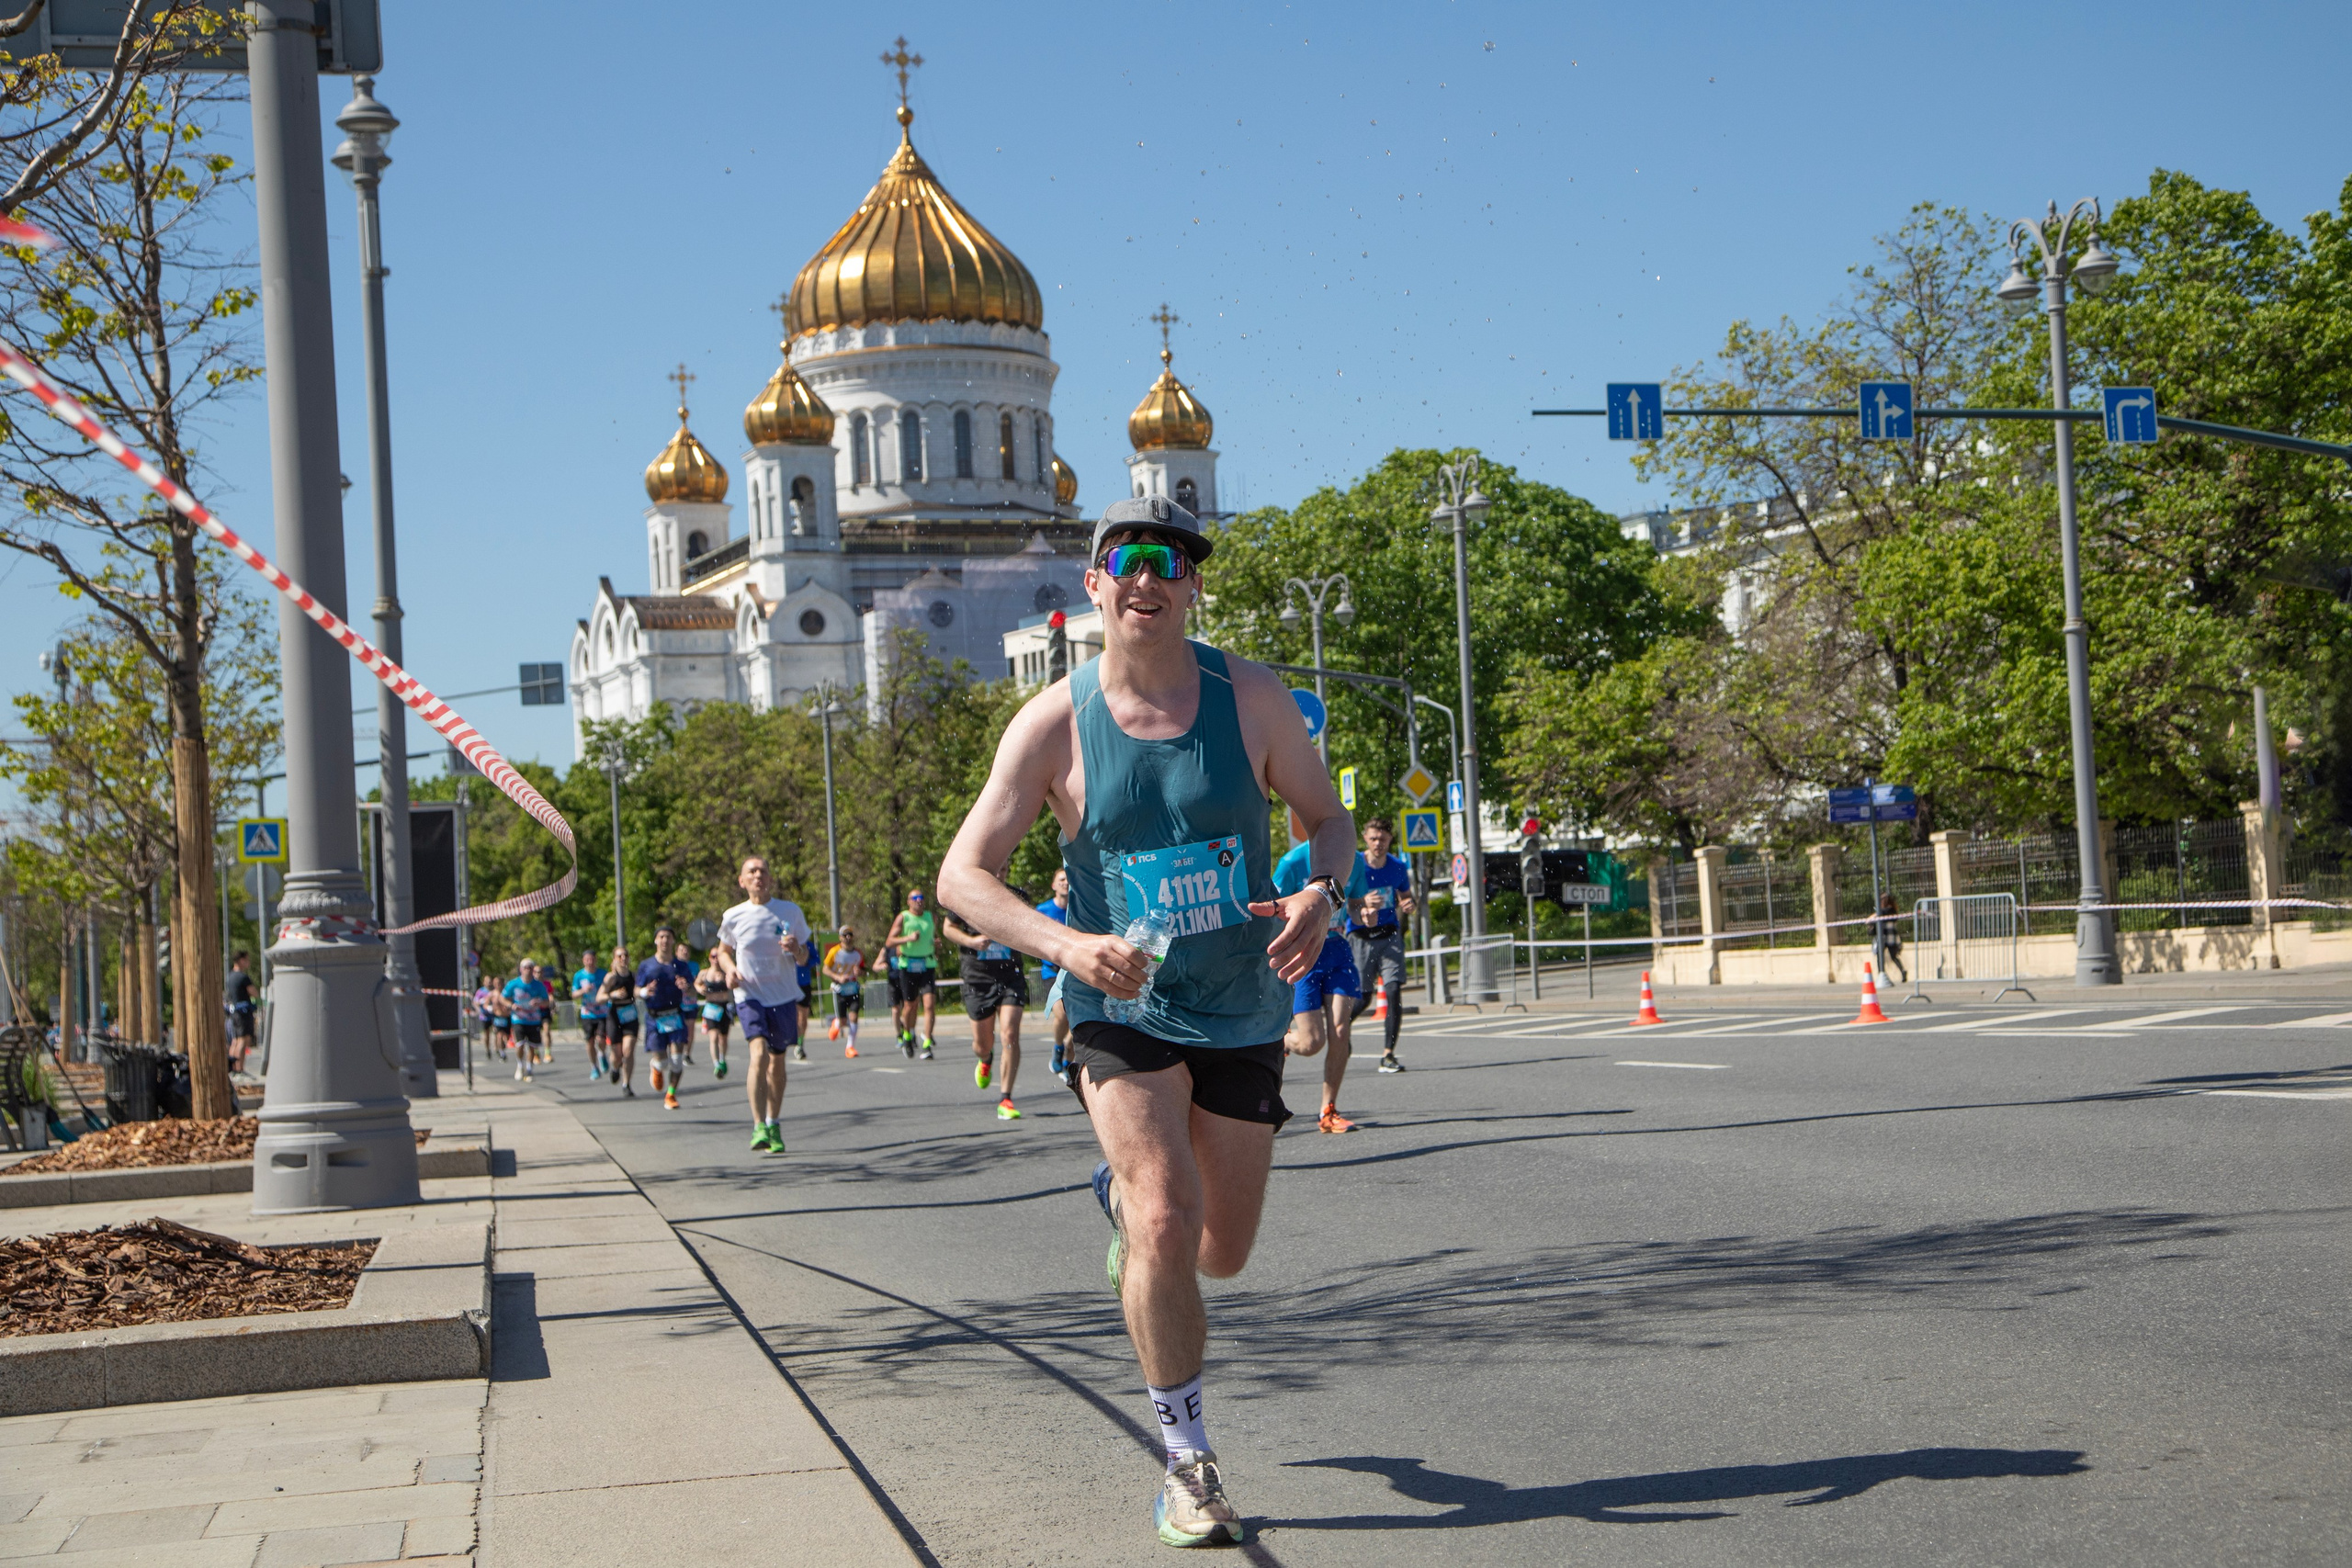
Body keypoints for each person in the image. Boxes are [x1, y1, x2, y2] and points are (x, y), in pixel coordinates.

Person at [937, 494, 1349, 1547]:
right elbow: (962, 876)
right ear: (1095, 584)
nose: (1147, 578)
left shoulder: (1251, 698)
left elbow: (1326, 818)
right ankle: (1187, 1462)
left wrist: (1320, 892)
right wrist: (1068, 947)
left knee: (1220, 1252)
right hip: (1118, 1006)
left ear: (1192, 585)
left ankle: (1124, 1217)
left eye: (1169, 561)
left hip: (1240, 1001)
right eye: (1127, 560)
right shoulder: (1051, 722)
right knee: (1166, 1214)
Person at [714, 857, 811, 1155]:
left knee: (777, 1062)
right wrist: (730, 969)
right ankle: (758, 1126)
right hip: (750, 995)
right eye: (752, 871)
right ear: (742, 881)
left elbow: (805, 958)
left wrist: (796, 949)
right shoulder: (733, 915)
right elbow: (723, 952)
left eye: (763, 871)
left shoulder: (790, 911)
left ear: (770, 878)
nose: (758, 875)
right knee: (758, 1055)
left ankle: (773, 1121)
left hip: (782, 996)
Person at [1275, 809, 1362, 1134]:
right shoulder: (1291, 863)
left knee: (1340, 1030)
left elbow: (1356, 904)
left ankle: (1329, 1109)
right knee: (1312, 1043)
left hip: (1338, 949)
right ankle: (1283, 1040)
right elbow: (1275, 908)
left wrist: (1364, 913)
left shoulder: (1354, 861)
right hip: (1305, 951)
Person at [944, 903, 1028, 1121]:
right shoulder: (968, 896)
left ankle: (1005, 1099)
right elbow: (948, 928)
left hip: (1010, 978)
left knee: (1010, 1035)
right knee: (982, 1045)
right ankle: (986, 1059)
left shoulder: (1016, 897)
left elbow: (1029, 927)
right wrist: (971, 941)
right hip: (978, 980)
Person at [1347, 818, 1418, 1074]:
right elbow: (1345, 900)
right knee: (1364, 997)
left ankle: (1388, 1054)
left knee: (1393, 991)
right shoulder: (1355, 864)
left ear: (1390, 840)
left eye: (1383, 839)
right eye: (1374, 838)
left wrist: (1409, 905)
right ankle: (1340, 1028)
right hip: (1361, 937)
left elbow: (1406, 897)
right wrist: (1363, 902)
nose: (1378, 844)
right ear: (1365, 838)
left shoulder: (1397, 867)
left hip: (1389, 936)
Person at [636, 928, 695, 1109]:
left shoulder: (681, 966)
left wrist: (686, 987)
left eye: (668, 937)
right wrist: (644, 991)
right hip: (655, 1017)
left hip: (675, 1015)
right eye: (661, 937)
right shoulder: (646, 965)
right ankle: (656, 1067)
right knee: (662, 1061)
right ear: (656, 940)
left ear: (673, 941)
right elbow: (636, 990)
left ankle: (671, 1094)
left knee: (677, 1061)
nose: (665, 940)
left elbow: (693, 990)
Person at [882, 888, 941, 1059]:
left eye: (921, 897)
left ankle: (927, 1043)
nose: (919, 900)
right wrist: (908, 939)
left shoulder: (931, 917)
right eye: (915, 898)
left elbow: (933, 937)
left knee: (929, 1005)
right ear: (908, 901)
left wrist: (936, 944)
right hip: (908, 966)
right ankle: (907, 1034)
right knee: (910, 1005)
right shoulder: (904, 917)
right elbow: (889, 941)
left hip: (927, 964)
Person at [1036, 868, 1072, 1076]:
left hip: (1074, 972)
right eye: (1061, 879)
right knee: (1062, 1013)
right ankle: (1058, 1048)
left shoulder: (1078, 908)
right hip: (1052, 972)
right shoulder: (1043, 910)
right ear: (1053, 885)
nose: (1065, 882)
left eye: (1068, 879)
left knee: (1077, 1022)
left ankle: (1068, 1060)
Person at [599, 947, 640, 1096]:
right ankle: (615, 1067)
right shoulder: (611, 977)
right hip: (614, 1015)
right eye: (619, 956)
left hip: (630, 1014)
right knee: (617, 1054)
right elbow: (599, 997)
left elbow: (638, 991)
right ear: (614, 959)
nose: (623, 958)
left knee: (628, 1050)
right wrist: (613, 994)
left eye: (625, 955)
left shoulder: (634, 976)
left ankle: (626, 1084)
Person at [503, 959, 551, 1082]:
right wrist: (512, 1005)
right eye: (525, 968)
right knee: (519, 1044)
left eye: (530, 968)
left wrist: (539, 1002)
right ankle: (520, 1065)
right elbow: (503, 998)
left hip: (534, 1019)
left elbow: (547, 1002)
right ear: (521, 969)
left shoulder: (538, 985)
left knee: (532, 1046)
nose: (528, 970)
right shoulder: (514, 984)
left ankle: (529, 1069)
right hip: (518, 1018)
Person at [825, 926, 866, 1058]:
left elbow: (863, 970)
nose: (848, 937)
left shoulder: (858, 953)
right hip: (840, 990)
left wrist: (860, 972)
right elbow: (825, 969)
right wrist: (838, 977)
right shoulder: (834, 952)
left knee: (854, 1017)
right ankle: (837, 1023)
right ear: (840, 937)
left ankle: (850, 1047)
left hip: (853, 989)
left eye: (850, 935)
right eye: (845, 935)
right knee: (843, 1021)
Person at [695, 949, 735, 1080]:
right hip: (711, 1008)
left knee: (723, 1038)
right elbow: (696, 983)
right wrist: (700, 989)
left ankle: (722, 1059)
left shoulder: (725, 972)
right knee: (714, 1037)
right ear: (709, 958)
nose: (716, 959)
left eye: (718, 956)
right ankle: (716, 1063)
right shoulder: (705, 973)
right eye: (713, 956)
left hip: (724, 1007)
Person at [572, 949, 610, 1082]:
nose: (590, 962)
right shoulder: (579, 976)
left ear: (595, 960)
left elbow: (610, 989)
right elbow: (574, 994)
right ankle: (594, 1067)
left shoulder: (603, 974)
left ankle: (602, 1054)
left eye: (592, 959)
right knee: (589, 1041)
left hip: (602, 1012)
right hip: (587, 1013)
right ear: (583, 961)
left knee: (601, 1039)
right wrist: (583, 990)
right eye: (587, 959)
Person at [225, 952, 257, 1074]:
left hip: (233, 1012)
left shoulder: (230, 977)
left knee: (235, 1040)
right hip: (243, 1012)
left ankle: (231, 1067)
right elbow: (254, 992)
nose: (248, 963)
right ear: (241, 960)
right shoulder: (243, 977)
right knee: (243, 1040)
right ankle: (239, 1068)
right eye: (247, 960)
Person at [1874, 893, 1908, 984]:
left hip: (1886, 935)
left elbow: (1881, 914)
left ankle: (1881, 973)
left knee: (1882, 955)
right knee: (1890, 955)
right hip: (1890, 934)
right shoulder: (1893, 910)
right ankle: (1901, 971)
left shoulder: (1888, 910)